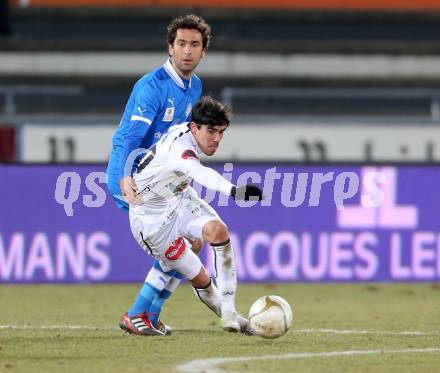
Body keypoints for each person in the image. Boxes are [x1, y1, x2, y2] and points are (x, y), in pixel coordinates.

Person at [106, 15, 211, 335]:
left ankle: (149, 314)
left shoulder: (196, 87)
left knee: (192, 244)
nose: (187, 51)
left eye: (194, 45)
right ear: (170, 47)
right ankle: (138, 312)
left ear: (203, 52)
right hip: (134, 178)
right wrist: (125, 176)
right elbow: (131, 139)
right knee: (176, 247)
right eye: (181, 44)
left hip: (163, 183)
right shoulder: (151, 88)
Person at [127, 96, 263, 335]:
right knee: (198, 276)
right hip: (152, 220)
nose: (217, 139)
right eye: (211, 131)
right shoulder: (180, 149)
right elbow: (200, 173)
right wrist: (234, 191)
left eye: (221, 132)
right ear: (194, 127)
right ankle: (137, 315)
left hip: (177, 200)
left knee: (217, 232)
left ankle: (229, 311)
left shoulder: (187, 133)